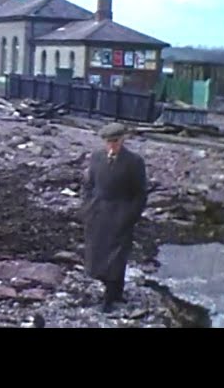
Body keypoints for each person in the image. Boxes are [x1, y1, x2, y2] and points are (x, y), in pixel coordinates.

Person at [81, 123, 147, 313]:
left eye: (115, 142)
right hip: (98, 213)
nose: (111, 146)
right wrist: (86, 207)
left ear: (123, 140)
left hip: (120, 213)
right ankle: (112, 291)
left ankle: (111, 297)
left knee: (116, 256)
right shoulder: (97, 157)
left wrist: (130, 216)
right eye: (108, 142)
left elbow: (140, 194)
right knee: (97, 253)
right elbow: (88, 184)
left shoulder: (134, 162)